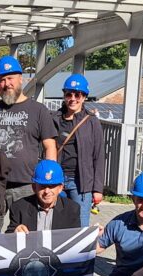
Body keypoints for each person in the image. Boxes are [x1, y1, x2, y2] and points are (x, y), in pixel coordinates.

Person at [0, 55, 58, 230]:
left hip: (28, 185)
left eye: (10, 78)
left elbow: (50, 147)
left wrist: (48, 180)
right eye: (2, 79)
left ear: (20, 79)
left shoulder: (38, 110)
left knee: (25, 231)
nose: (6, 83)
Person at [5, 160, 82, 276]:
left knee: (73, 272)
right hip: (31, 266)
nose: (47, 191)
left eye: (52, 186)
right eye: (42, 186)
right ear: (34, 186)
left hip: (59, 265)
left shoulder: (72, 209)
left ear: (61, 187)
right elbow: (8, 238)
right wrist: (15, 232)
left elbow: (76, 243)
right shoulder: (19, 206)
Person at [53, 74, 105, 227]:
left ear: (84, 97)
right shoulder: (54, 118)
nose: (73, 98)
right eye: (69, 94)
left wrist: (97, 189)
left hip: (81, 183)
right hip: (57, 180)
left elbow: (99, 156)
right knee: (57, 225)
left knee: (80, 226)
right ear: (64, 95)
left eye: (78, 95)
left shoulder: (92, 122)